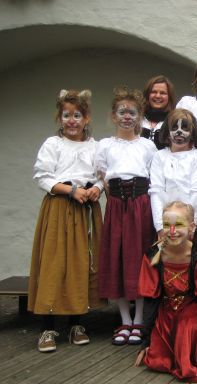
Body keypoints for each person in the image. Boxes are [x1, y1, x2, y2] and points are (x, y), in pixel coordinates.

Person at [29, 89, 105, 352]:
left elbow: (102, 175)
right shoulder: (53, 144)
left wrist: (97, 188)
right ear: (59, 118)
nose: (72, 120)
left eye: (77, 115)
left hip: (85, 207)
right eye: (66, 115)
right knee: (53, 261)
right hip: (60, 205)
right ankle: (47, 327)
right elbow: (42, 176)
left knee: (81, 262)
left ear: (86, 118)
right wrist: (70, 190)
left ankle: (76, 323)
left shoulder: (96, 146)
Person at [95, 87, 157, 346]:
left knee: (140, 259)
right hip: (117, 207)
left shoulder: (148, 145)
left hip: (141, 206)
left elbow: (153, 177)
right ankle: (124, 320)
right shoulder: (104, 145)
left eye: (132, 112)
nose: (127, 117)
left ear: (140, 116)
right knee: (118, 257)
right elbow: (102, 178)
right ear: (113, 115)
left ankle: (140, 319)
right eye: (122, 112)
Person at [135, 201, 197, 383]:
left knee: (186, 328)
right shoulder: (153, 256)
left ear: (192, 227)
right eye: (167, 225)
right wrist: (146, 341)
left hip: (190, 309)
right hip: (165, 310)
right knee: (158, 359)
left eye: (179, 225)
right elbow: (151, 300)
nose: (172, 231)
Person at [149, 108, 197, 239]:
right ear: (167, 131)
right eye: (175, 127)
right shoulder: (159, 156)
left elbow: (196, 191)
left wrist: (190, 224)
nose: (179, 131)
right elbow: (156, 192)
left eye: (185, 128)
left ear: (192, 132)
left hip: (189, 226)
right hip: (166, 225)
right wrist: (160, 227)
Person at [141, 75, 177, 149]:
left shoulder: (175, 122)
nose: (158, 96)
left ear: (169, 97)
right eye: (154, 92)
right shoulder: (137, 119)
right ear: (148, 95)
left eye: (163, 93)